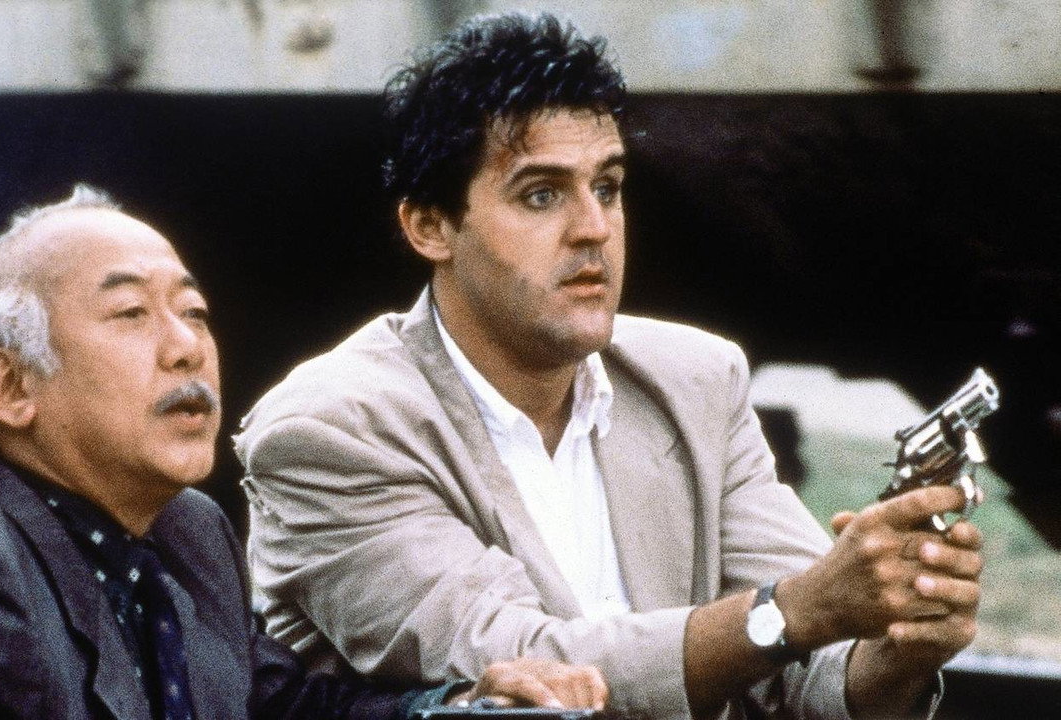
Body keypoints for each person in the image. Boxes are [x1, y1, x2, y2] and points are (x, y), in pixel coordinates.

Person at [233, 12, 984, 720]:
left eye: (608, 187)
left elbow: (813, 671)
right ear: (430, 226)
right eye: (540, 195)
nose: (593, 228)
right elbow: (527, 670)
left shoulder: (697, 380)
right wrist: (797, 610)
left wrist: (899, 645)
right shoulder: (330, 429)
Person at [0, 186, 609, 719]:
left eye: (193, 311)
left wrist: (457, 709)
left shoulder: (187, 531)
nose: (187, 346)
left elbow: (274, 705)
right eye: (130, 314)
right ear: (11, 387)